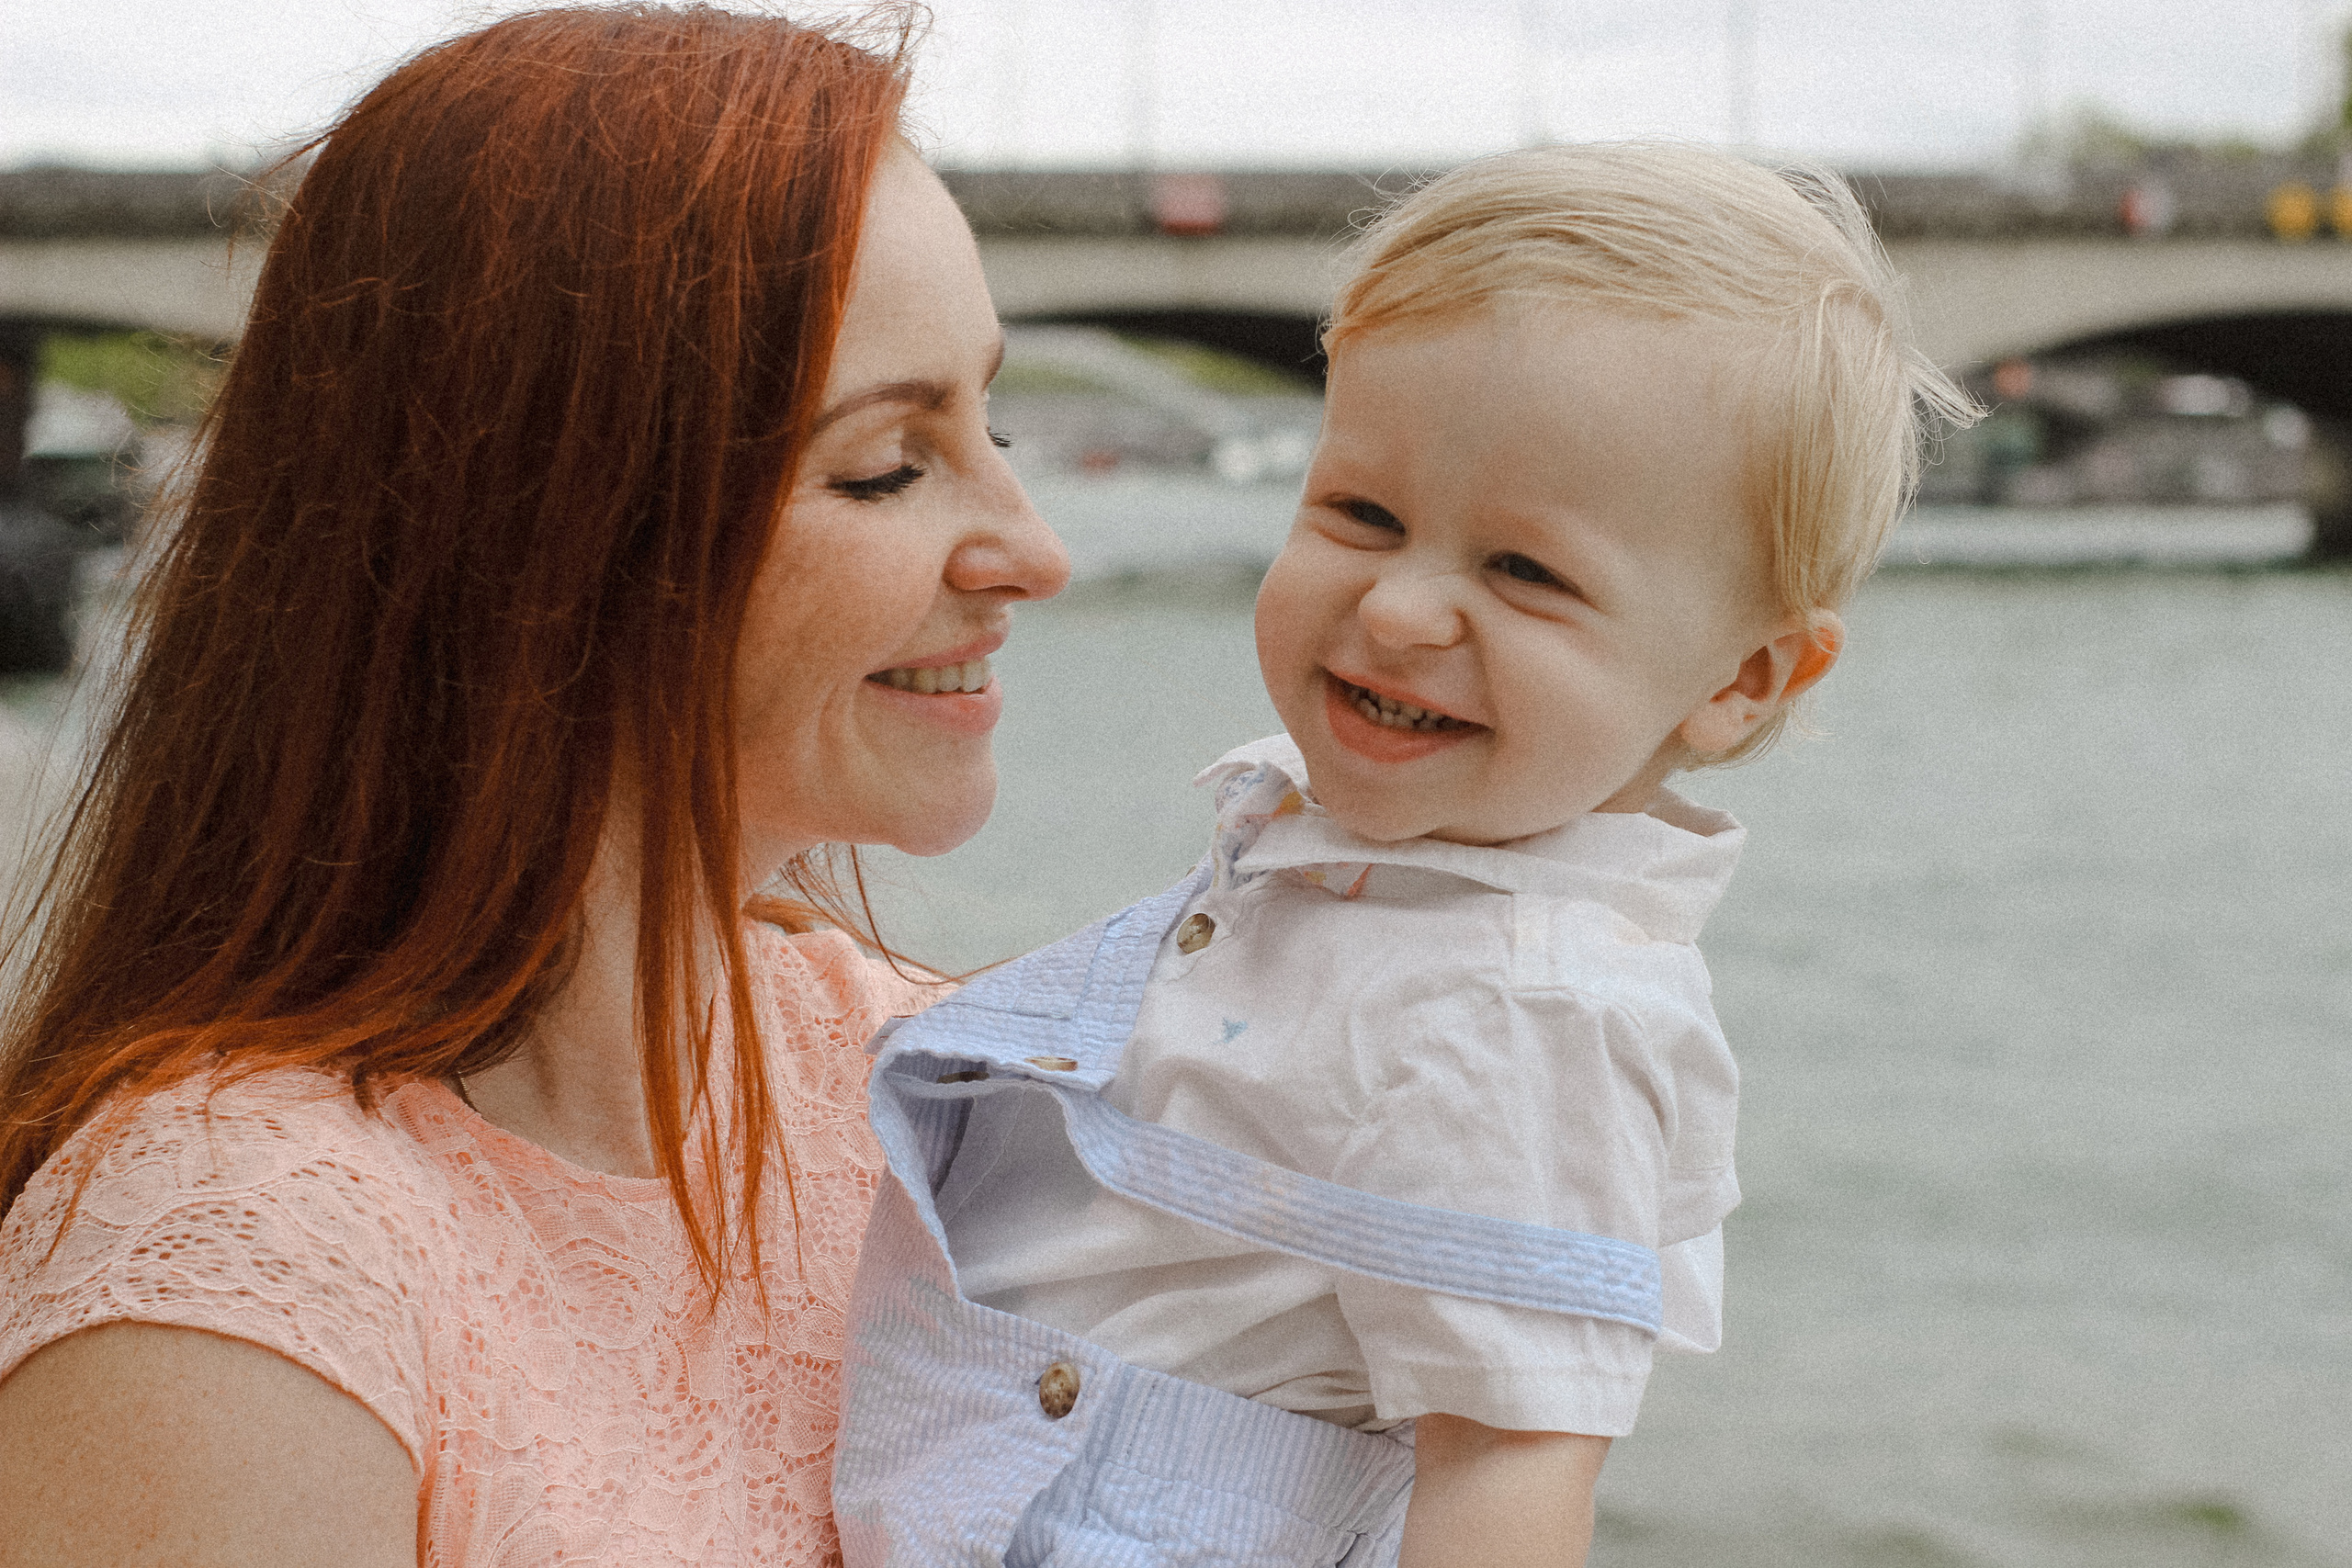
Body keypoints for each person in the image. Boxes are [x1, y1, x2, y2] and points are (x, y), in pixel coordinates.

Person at [0, 7, 1069, 1565]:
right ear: (558, 541)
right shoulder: (236, 1277)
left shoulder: (940, 1082)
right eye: (886, 467)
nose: (1035, 551)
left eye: (996, 415)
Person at [831, 142, 1977, 1567]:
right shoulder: (1380, 878)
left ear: (1742, 679)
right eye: (1361, 516)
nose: (1403, 608)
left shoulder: (1533, 1016)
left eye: (1526, 574)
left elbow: (1509, 1481)